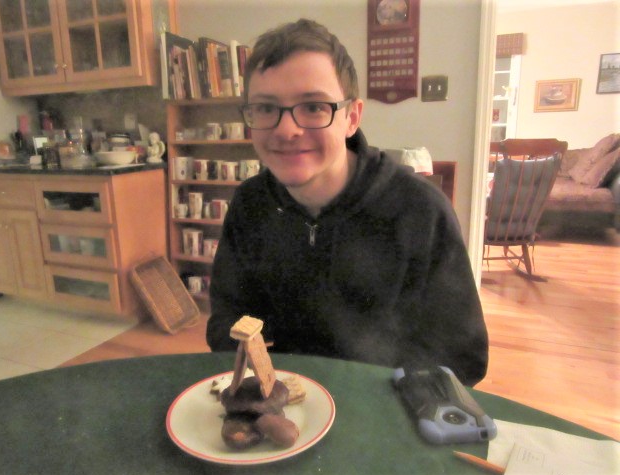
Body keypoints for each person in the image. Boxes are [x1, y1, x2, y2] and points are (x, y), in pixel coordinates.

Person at [206, 19, 488, 386]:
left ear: (351, 118)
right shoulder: (250, 204)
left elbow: (462, 357)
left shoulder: (421, 210)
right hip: (281, 399)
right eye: (265, 108)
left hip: (383, 403)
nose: (286, 130)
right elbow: (226, 320)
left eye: (313, 107)